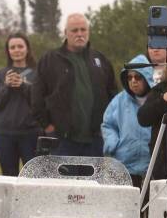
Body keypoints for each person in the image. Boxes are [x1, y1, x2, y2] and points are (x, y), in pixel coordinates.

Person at [32, 13, 116, 156]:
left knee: (92, 179)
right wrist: (47, 126)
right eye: (74, 30)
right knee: (65, 179)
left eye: (83, 30)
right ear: (65, 33)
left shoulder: (100, 60)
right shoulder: (50, 60)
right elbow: (36, 96)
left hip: (95, 140)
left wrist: (107, 128)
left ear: (88, 32)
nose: (79, 34)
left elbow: (113, 95)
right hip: (62, 141)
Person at [0, 33, 40, 175]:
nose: (16, 50)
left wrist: (24, 86)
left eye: (20, 46)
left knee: (33, 177)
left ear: (27, 49)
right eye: (12, 47)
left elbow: (42, 103)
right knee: (8, 177)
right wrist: (6, 87)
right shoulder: (0, 74)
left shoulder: (38, 73)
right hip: (4, 135)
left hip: (31, 134)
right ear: (8, 51)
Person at [102, 55, 154, 187]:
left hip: (151, 166)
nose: (133, 81)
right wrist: (113, 143)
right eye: (129, 77)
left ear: (147, 78)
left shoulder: (157, 100)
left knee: (149, 206)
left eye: (138, 77)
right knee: (125, 205)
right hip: (124, 165)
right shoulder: (119, 100)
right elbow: (108, 125)